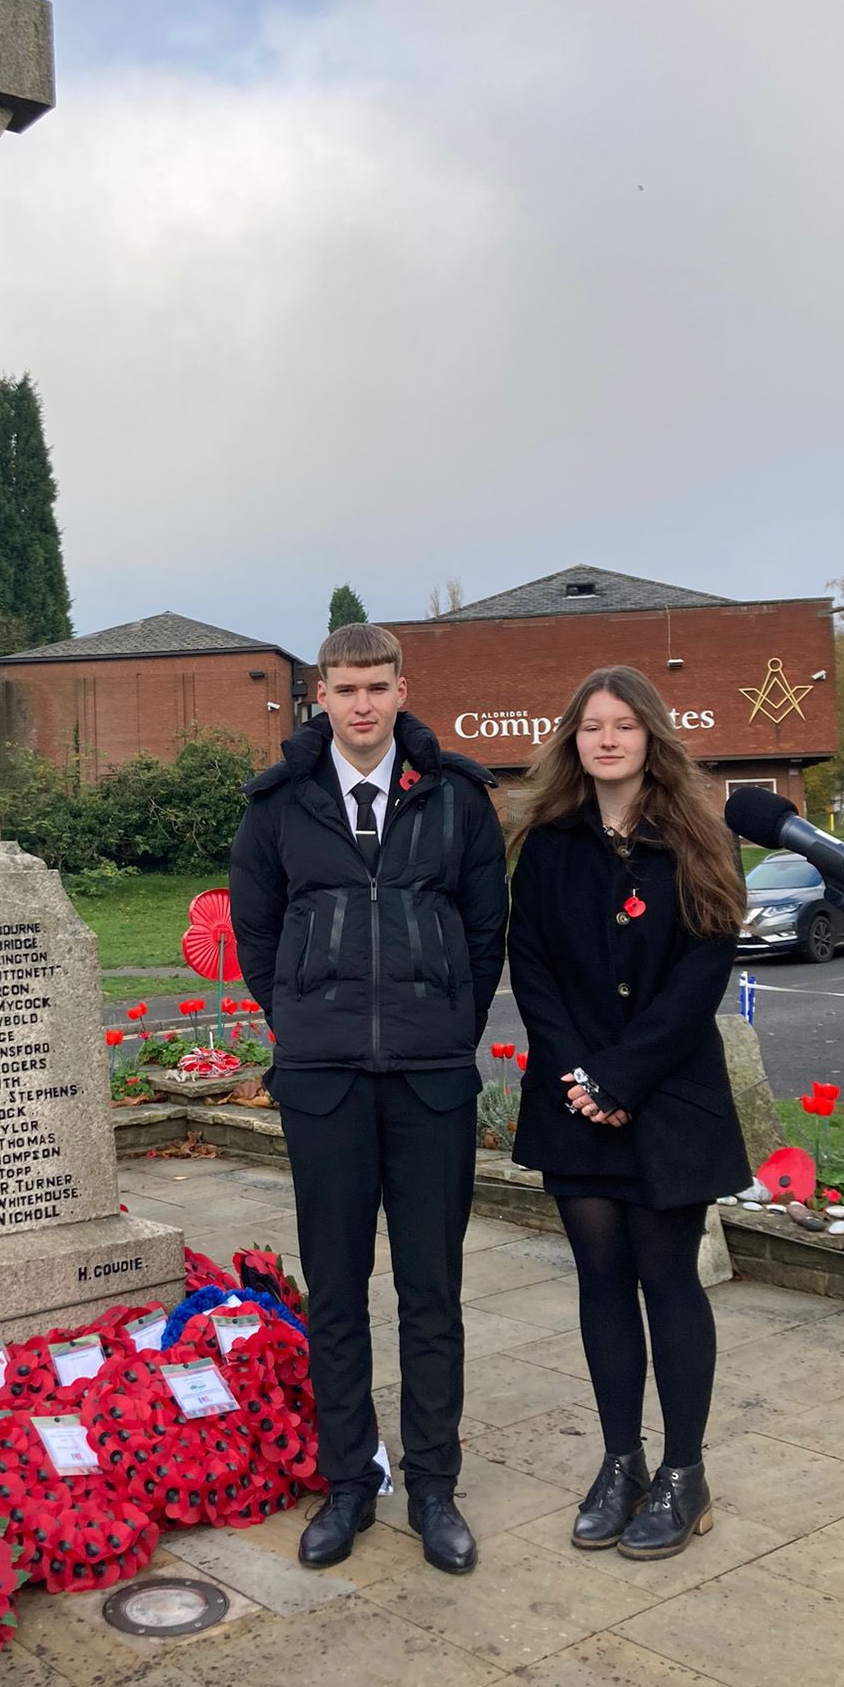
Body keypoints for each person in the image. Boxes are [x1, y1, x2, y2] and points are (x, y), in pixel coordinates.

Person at [229, 623, 508, 1575]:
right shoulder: (278, 805)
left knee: (433, 1294)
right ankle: (349, 1481)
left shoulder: (458, 798)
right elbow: (257, 937)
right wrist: (309, 1028)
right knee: (338, 1292)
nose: (361, 705)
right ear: (320, 696)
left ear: (402, 690)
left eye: (376, 688)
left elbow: (483, 934)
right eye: (343, 689)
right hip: (325, 1083)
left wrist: (441, 1034)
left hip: (430, 1082)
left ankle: (434, 1484)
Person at [506, 665, 749, 1560]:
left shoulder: (697, 838)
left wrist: (622, 1077)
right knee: (600, 1279)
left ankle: (685, 1474)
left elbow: (702, 971)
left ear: (652, 735)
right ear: (573, 740)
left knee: (667, 1276)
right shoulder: (548, 842)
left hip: (669, 1097)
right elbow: (529, 963)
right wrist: (580, 1075)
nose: (606, 739)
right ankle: (621, 1461)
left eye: (623, 725)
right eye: (590, 727)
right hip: (573, 1098)